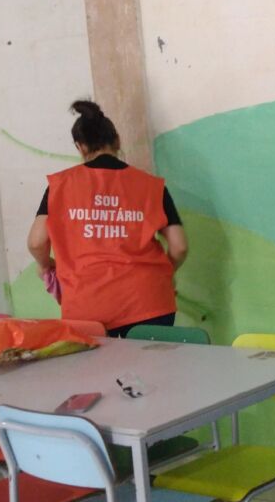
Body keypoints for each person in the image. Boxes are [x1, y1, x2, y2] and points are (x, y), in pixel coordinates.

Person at [27, 100, 187, 338]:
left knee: (96, 365)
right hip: (148, 300)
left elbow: (37, 242)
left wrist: (45, 265)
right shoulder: (151, 186)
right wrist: (165, 273)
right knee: (151, 364)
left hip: (87, 305)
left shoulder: (60, 186)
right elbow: (179, 246)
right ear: (117, 141)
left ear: (80, 146)